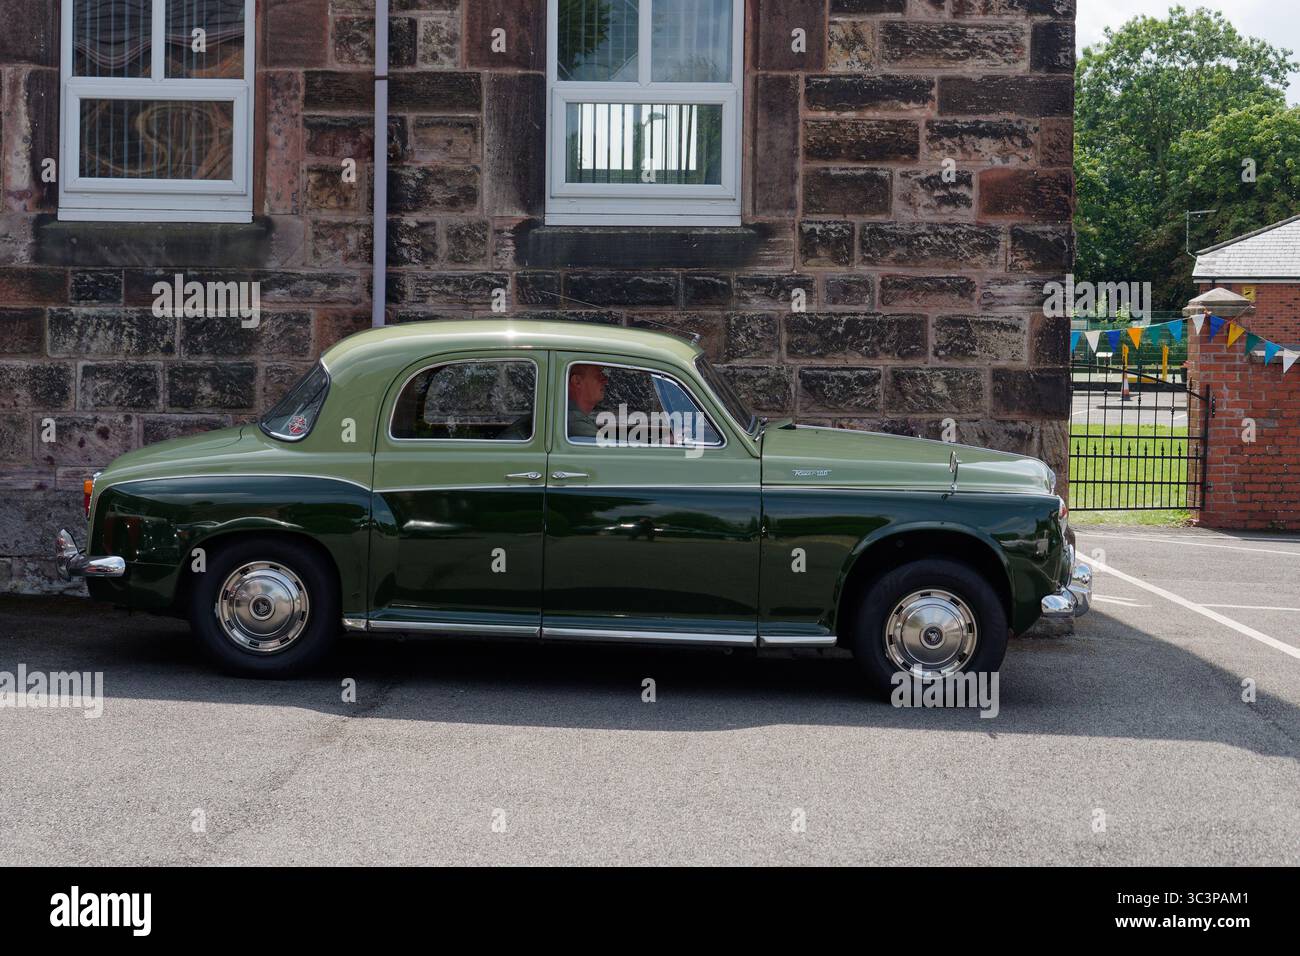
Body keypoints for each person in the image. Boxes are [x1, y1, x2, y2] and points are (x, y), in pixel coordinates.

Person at [567, 363, 608, 440]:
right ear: (577, 381)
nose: (605, 381)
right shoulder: (576, 424)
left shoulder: (571, 417)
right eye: (599, 376)